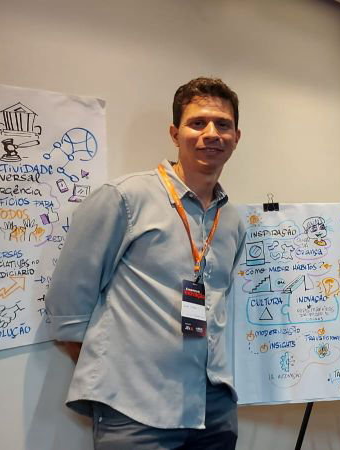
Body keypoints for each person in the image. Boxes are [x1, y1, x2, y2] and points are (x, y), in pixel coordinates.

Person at [45, 77, 246, 449]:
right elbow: (66, 309)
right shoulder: (123, 198)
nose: (211, 134)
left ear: (236, 137)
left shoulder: (232, 219)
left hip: (213, 407)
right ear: (175, 133)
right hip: (135, 411)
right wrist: (120, 377)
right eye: (197, 123)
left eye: (223, 125)